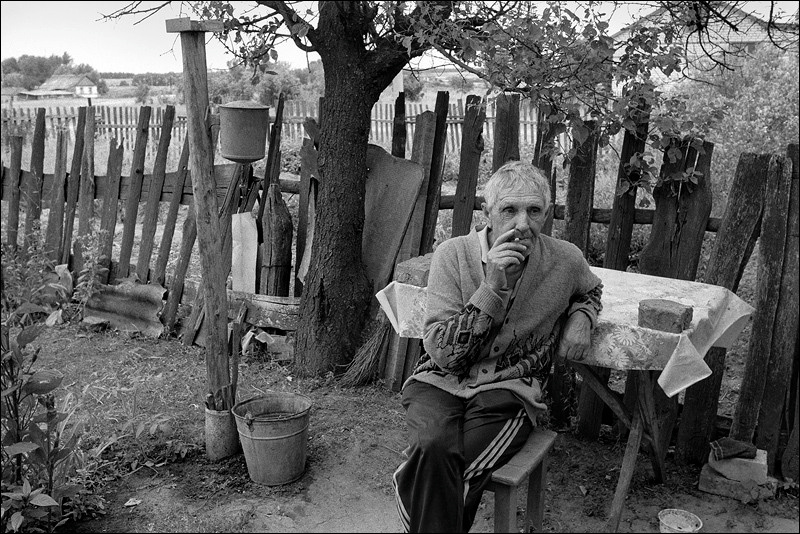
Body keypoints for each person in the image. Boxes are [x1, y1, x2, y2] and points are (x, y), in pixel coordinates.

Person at [392, 160, 603, 533]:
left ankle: (410, 485)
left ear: (547, 214)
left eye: (534, 211)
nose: (522, 223)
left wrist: (582, 317)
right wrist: (492, 286)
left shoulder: (565, 259)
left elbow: (591, 289)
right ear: (486, 212)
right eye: (509, 210)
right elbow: (443, 353)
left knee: (441, 467)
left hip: (508, 389)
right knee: (433, 447)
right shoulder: (452, 254)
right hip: (439, 380)